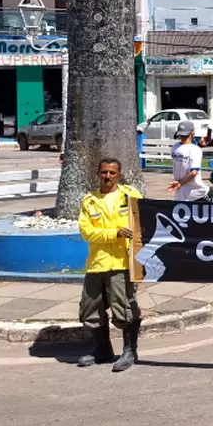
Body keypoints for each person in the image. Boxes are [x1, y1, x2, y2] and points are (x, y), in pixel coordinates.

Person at [76, 158, 143, 372]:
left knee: (124, 309)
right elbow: (87, 232)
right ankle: (103, 350)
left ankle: (129, 351)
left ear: (119, 175)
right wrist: (114, 233)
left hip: (122, 263)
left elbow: (144, 223)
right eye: (104, 172)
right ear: (98, 174)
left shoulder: (130, 196)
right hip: (97, 263)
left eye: (112, 173)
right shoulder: (89, 201)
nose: (108, 177)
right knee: (90, 309)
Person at [167, 120, 212, 202]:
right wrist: (180, 183)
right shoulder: (195, 150)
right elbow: (194, 172)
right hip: (197, 191)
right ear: (192, 133)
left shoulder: (175, 147)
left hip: (180, 193)